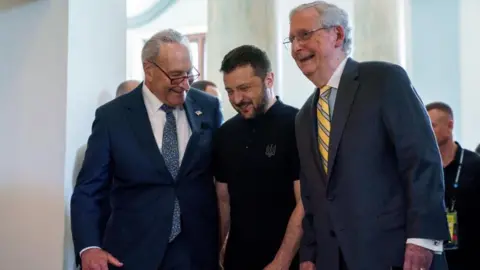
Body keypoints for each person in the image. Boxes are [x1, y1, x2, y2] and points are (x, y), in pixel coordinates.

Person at [288, 2, 449, 270]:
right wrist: (309, 254)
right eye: (291, 39)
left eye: (304, 35)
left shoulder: (383, 80)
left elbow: (421, 161)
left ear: (337, 35)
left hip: (395, 255)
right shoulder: (304, 116)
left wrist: (423, 239)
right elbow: (312, 194)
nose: (296, 48)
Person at [70, 29, 222, 270]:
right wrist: (89, 247)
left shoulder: (209, 107)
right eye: (174, 76)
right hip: (131, 252)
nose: (184, 84)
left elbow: (222, 174)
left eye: (188, 74)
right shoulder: (113, 117)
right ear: (148, 70)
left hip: (195, 251)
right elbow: (89, 189)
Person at [214, 45, 303, 270]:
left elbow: (305, 202)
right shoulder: (226, 133)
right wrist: (216, 251)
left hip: (287, 259)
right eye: (230, 91)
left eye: (244, 88)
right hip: (237, 259)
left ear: (269, 79)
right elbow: (223, 200)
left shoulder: (297, 124)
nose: (237, 99)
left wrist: (281, 261)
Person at [426, 102, 480, 269]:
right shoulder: (422, 167)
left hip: (470, 257)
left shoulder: (474, 165)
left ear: (450, 126)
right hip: (433, 257)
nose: (427, 131)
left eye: (432, 125)